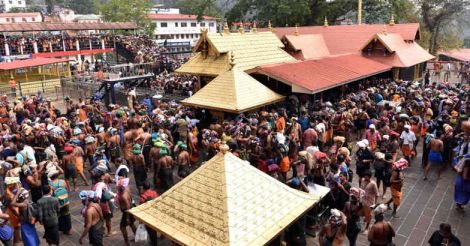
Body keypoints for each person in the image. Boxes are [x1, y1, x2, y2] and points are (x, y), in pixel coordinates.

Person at [49, 170, 72, 235]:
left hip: (57, 203)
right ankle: (68, 230)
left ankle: (62, 228)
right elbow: (66, 189)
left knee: (59, 216)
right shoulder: (63, 181)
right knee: (67, 214)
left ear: (51, 177)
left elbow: (50, 194)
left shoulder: (50, 184)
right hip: (65, 201)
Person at [117, 177, 136, 246]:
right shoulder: (127, 188)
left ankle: (126, 242)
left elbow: (127, 206)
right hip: (130, 209)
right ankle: (137, 237)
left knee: (122, 227)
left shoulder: (123, 196)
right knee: (131, 224)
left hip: (127, 212)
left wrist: (127, 218)